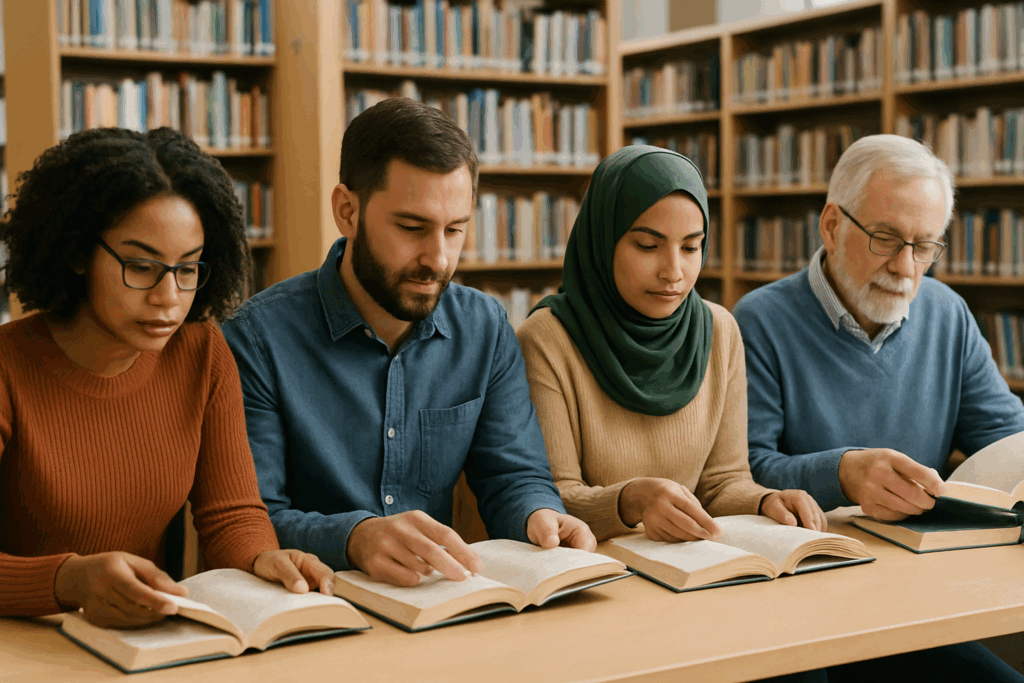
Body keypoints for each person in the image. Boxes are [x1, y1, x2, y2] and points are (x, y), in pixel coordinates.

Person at [221, 97, 595, 588]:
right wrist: (355, 537)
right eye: (412, 228)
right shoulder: (257, 339)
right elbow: (248, 519)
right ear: (347, 211)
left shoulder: (484, 328)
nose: (437, 259)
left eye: (455, 230)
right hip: (307, 608)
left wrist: (539, 515)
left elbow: (513, 477)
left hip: (433, 604)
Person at [0, 128, 335, 628]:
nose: (168, 297)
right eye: (141, 266)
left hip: (137, 642)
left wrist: (262, 559)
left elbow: (230, 515)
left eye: (187, 269)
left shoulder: (200, 352)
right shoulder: (8, 368)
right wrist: (66, 580)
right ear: (75, 253)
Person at [518, 145, 828, 683]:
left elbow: (722, 481)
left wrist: (766, 499)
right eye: (646, 245)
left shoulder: (721, 332)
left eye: (692, 247)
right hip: (596, 602)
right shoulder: (547, 340)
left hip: (697, 589)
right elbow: (548, 499)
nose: (674, 271)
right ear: (602, 239)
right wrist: (632, 499)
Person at [733, 134, 1024, 681]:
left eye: (925, 246)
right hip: (795, 604)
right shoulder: (758, 322)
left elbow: (1007, 437)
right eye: (887, 239)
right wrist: (843, 472)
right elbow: (740, 472)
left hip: (913, 601)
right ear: (832, 226)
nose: (906, 267)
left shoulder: (948, 315)